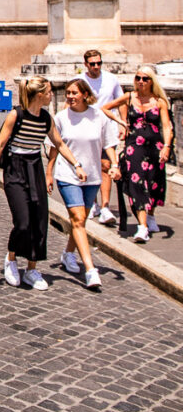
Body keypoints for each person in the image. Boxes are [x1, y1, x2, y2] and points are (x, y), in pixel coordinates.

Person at [0, 77, 85, 290]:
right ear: (40, 95)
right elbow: (0, 144)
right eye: (49, 92)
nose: (51, 95)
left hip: (35, 167)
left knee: (39, 221)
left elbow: (58, 142)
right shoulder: (16, 115)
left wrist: (76, 164)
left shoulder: (46, 118)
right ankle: (11, 257)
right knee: (23, 221)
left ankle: (31, 268)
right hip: (15, 169)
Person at [45, 79, 120, 290]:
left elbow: (109, 144)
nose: (69, 96)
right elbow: (54, 147)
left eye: (74, 93)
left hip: (93, 176)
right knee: (77, 218)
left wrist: (114, 164)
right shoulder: (60, 118)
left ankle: (68, 254)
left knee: (81, 221)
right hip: (67, 174)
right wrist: (49, 173)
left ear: (85, 95)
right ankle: (90, 269)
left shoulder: (99, 117)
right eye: (68, 92)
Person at [101, 65, 172, 243]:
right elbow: (106, 108)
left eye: (145, 79)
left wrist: (167, 146)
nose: (140, 81)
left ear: (151, 81)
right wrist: (122, 122)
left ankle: (150, 216)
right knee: (136, 182)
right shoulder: (129, 97)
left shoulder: (159, 101)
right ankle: (142, 227)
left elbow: (166, 126)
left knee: (155, 183)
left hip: (155, 147)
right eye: (138, 78)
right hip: (134, 147)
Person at [80, 49, 123, 225]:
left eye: (99, 63)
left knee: (106, 166)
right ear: (86, 65)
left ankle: (105, 207)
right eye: (92, 64)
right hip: (86, 130)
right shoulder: (81, 81)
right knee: (89, 167)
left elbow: (121, 101)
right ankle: (92, 204)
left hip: (107, 130)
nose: (96, 67)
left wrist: (123, 122)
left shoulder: (111, 79)